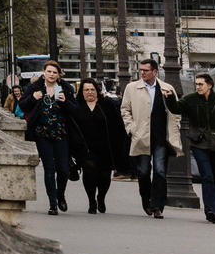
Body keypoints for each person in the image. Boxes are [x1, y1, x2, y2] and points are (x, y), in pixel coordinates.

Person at [170, 72, 215, 224]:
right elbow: (176, 108)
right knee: (206, 176)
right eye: (196, 84)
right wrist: (169, 97)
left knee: (213, 178)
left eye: (201, 84)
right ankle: (210, 210)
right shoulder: (191, 99)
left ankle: (214, 209)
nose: (198, 87)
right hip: (199, 143)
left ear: (210, 85)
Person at [118, 56, 182, 217]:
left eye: (146, 70)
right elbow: (125, 109)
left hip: (161, 137)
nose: (142, 73)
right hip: (141, 135)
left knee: (160, 171)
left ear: (155, 71)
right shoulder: (132, 88)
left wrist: (176, 127)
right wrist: (131, 128)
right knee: (144, 171)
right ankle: (146, 198)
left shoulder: (167, 88)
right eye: (140, 70)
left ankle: (157, 206)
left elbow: (176, 110)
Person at [17, 60, 75, 214]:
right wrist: (33, 97)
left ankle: (60, 194)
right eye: (49, 71)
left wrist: (65, 102)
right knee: (49, 169)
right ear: (44, 72)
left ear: (58, 74)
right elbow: (22, 105)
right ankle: (53, 204)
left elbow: (75, 109)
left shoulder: (64, 88)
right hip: (42, 134)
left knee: (63, 169)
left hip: (61, 133)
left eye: (54, 72)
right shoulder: (35, 88)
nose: (51, 75)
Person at [67, 78, 126, 213]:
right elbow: (71, 127)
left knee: (105, 176)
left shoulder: (107, 104)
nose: (89, 92)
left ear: (97, 91)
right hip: (85, 148)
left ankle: (101, 197)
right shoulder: (77, 106)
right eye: (86, 90)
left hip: (106, 147)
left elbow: (117, 125)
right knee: (89, 173)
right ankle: (91, 201)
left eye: (92, 89)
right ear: (81, 92)